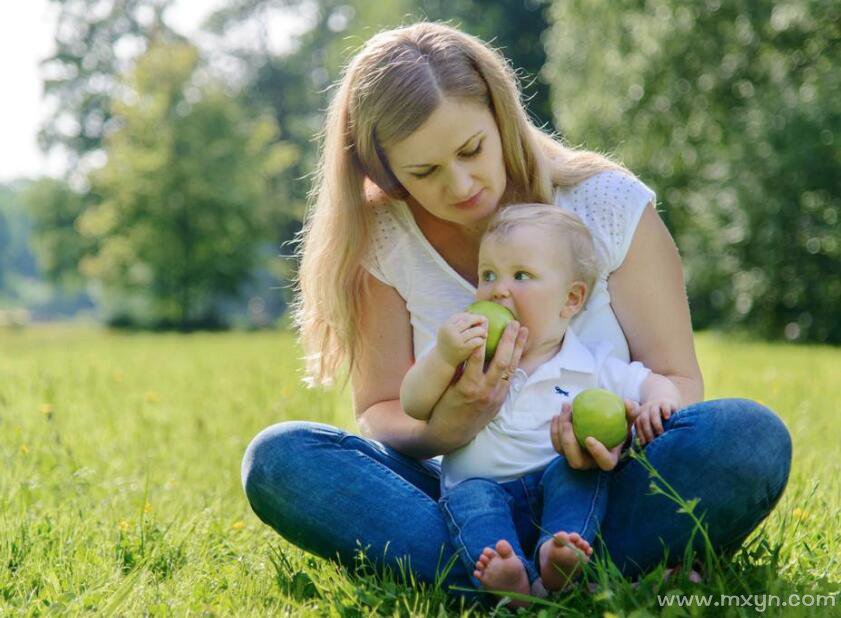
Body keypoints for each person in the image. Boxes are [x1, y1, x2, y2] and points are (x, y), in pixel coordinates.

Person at [241, 22, 792, 598]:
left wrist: (622, 439)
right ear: (385, 174)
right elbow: (380, 409)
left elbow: (676, 379)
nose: (460, 185)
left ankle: (508, 580)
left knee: (749, 437)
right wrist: (449, 425)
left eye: (471, 149)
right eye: (423, 172)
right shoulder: (382, 238)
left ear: (501, 117)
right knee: (281, 460)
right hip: (462, 495)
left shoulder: (604, 204)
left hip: (600, 483)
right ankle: (594, 576)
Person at [400, 203, 682, 601]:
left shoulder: (592, 364)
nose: (498, 288)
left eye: (521, 276)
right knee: (468, 497)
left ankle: (561, 556)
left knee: (577, 476)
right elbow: (413, 402)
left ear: (570, 300)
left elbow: (654, 382)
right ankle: (509, 574)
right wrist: (444, 355)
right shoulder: (468, 354)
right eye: (488, 275)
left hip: (557, 488)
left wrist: (658, 403)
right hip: (485, 489)